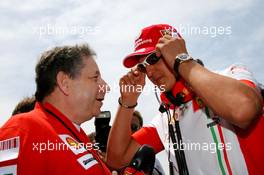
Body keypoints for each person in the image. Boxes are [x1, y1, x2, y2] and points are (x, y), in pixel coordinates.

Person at [106, 24, 264, 174]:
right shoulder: (166, 118)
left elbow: (243, 109)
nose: (150, 73)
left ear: (174, 50)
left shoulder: (232, 74)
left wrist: (181, 60)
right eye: (143, 67)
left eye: (153, 59)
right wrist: (127, 100)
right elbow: (116, 159)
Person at [0, 44, 112, 174]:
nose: (106, 87)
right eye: (95, 78)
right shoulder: (23, 129)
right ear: (64, 83)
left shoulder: (77, 135)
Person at [131, 110, 165, 175]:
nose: (130, 131)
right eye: (126, 127)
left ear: (140, 130)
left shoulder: (155, 163)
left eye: (134, 127)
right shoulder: (111, 159)